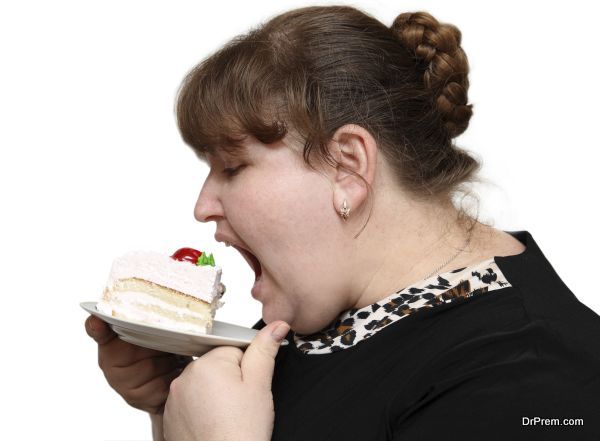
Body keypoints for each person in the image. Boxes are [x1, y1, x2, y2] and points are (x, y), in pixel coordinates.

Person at [84, 5, 600, 440]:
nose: (204, 206)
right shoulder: (328, 309)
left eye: (233, 167)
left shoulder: (532, 380)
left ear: (347, 167)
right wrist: (169, 408)